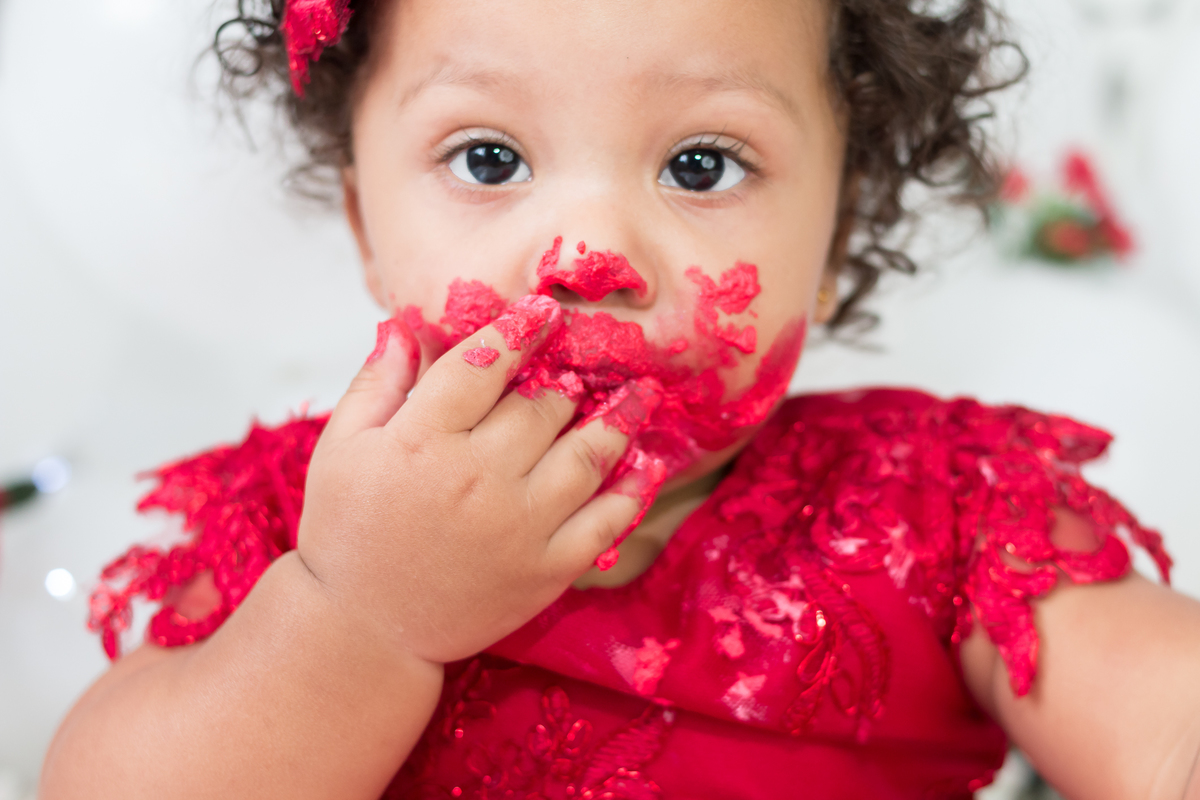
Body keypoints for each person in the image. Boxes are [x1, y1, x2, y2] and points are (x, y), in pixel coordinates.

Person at [39, 0, 1200, 798]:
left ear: (837, 235)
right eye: (488, 158)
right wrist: (357, 613)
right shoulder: (302, 522)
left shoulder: (937, 506)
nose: (588, 252)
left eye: (701, 164)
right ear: (365, 230)